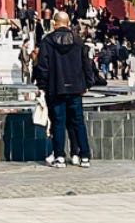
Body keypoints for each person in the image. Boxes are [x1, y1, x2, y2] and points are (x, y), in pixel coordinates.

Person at [33, 9, 94, 168]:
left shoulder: (47, 41)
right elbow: (86, 64)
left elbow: (43, 66)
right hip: (76, 87)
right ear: (68, 23)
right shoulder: (78, 40)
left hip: (56, 88)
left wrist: (42, 85)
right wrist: (88, 83)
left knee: (58, 122)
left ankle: (59, 156)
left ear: (54, 23)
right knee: (78, 122)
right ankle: (84, 156)